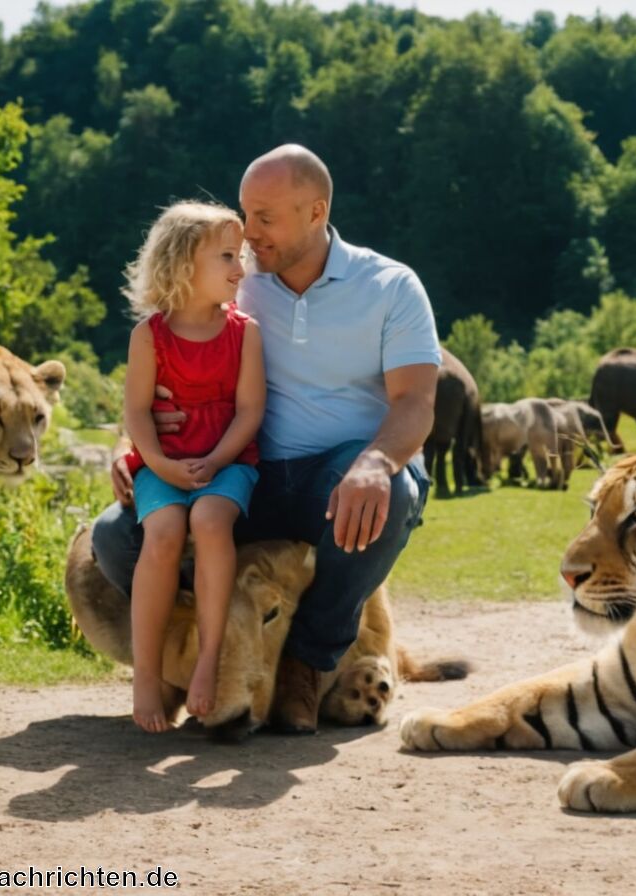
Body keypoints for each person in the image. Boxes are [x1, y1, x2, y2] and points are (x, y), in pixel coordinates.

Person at [92, 144, 440, 734]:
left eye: (265, 218)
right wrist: (142, 450)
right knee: (113, 540)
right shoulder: (231, 278)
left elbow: (416, 402)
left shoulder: (390, 287)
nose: (249, 235)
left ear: (316, 211)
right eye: (245, 215)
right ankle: (193, 659)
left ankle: (307, 663)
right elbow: (166, 364)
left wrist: (377, 462)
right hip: (241, 475)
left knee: (395, 492)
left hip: (335, 477)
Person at [119, 201, 266, 733]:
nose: (239, 269)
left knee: (208, 521)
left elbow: (251, 412)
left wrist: (213, 462)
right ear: (183, 264)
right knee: (162, 533)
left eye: (241, 255)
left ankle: (208, 665)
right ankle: (146, 675)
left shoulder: (243, 332)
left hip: (228, 460)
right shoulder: (149, 336)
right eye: (227, 256)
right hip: (163, 461)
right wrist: (160, 464)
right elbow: (135, 411)